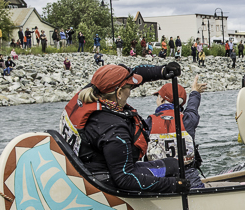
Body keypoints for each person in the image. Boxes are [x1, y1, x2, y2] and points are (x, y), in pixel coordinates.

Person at [59, 61, 184, 193]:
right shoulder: (114, 129)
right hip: (105, 181)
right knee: (174, 167)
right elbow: (125, 179)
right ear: (118, 93)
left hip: (87, 170)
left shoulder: (91, 92)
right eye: (129, 88)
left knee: (172, 165)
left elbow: (135, 74)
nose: (130, 91)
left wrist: (162, 71)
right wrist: (174, 185)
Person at [145, 75, 207, 188]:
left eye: (158, 97)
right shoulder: (188, 119)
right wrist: (195, 92)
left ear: (162, 100)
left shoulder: (149, 122)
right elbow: (192, 106)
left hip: (160, 181)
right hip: (190, 179)